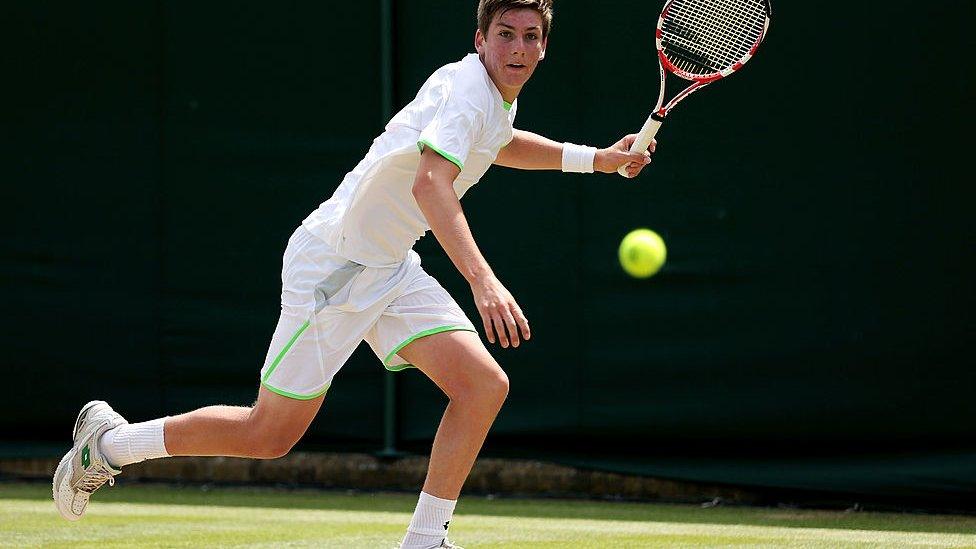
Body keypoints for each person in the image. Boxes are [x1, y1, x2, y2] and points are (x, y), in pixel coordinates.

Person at [52, 1, 654, 547]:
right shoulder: (468, 90)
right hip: (334, 267)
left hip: (390, 265)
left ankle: (425, 539)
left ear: (544, 46)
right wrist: (482, 279)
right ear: (480, 38)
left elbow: (498, 143)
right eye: (505, 35)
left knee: (482, 387)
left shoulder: (490, 97)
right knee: (269, 435)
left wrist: (597, 160)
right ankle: (108, 444)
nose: (518, 49)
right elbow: (431, 183)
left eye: (530, 37)